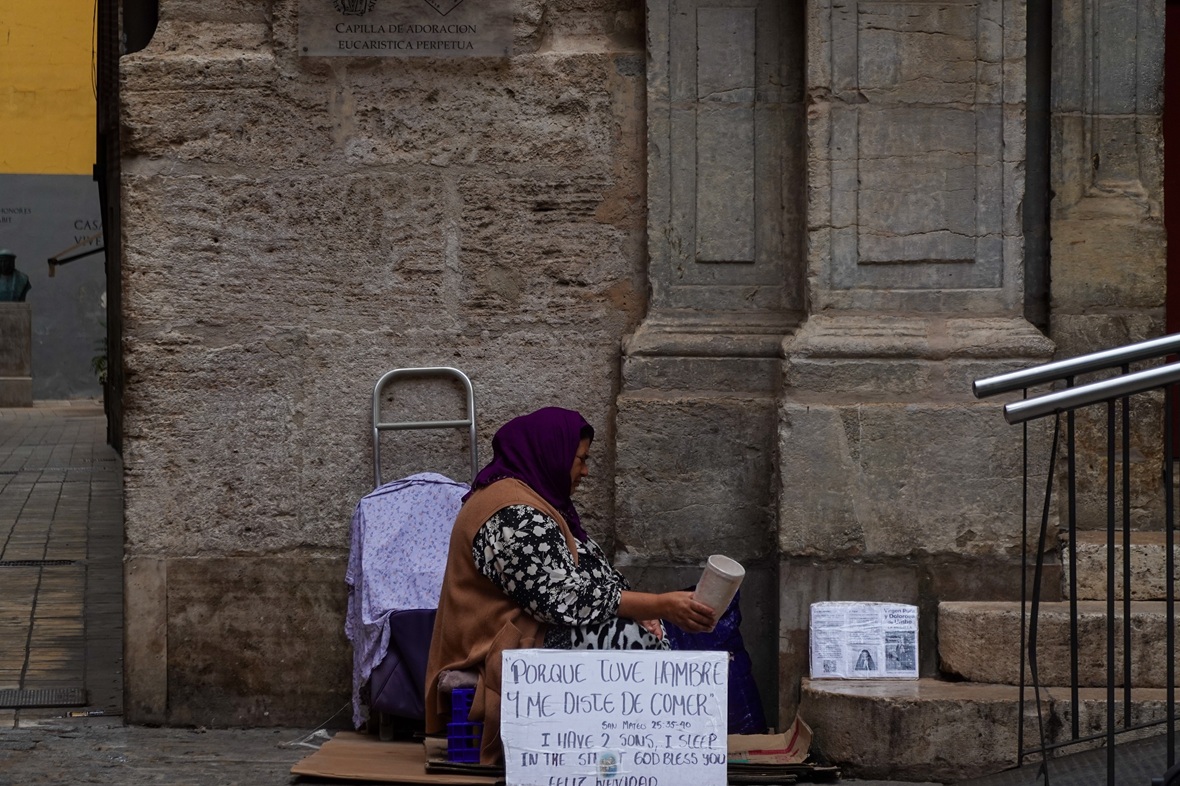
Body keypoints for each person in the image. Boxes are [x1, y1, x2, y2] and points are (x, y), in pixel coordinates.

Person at [424, 407, 715, 765]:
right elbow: (560, 598)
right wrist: (657, 605)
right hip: (495, 643)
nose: (585, 471)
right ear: (551, 453)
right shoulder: (509, 513)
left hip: (534, 627)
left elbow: (588, 574)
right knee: (630, 639)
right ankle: (640, 753)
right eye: (581, 460)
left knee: (644, 632)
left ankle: (645, 750)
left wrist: (643, 612)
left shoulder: (538, 503)